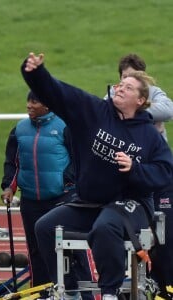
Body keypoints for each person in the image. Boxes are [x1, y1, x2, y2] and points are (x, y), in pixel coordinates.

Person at [21, 52, 173, 300]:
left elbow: (164, 172)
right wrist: (36, 73)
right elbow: (60, 94)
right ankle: (70, 290)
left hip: (130, 204)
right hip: (91, 201)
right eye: (119, 85)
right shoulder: (95, 112)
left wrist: (135, 169)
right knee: (46, 227)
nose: (119, 89)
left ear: (141, 99)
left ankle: (110, 293)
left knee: (106, 226)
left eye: (128, 87)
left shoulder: (149, 135)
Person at [1, 90, 86, 290]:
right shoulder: (19, 129)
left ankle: (83, 293)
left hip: (61, 200)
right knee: (36, 251)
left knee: (71, 249)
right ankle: (41, 293)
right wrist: (8, 186)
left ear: (47, 105)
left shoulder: (65, 126)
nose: (29, 105)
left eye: (34, 101)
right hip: (30, 201)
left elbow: (79, 158)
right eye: (28, 101)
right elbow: (12, 162)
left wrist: (67, 182)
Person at [106, 54, 173, 299]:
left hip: (157, 177)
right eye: (123, 78)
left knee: (163, 236)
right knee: (131, 236)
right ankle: (133, 286)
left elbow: (169, 110)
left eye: (133, 79)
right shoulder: (114, 96)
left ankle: (166, 288)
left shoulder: (154, 94)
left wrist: (137, 112)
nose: (125, 83)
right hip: (129, 178)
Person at [104, 53, 173, 140]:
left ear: (143, 77)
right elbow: (104, 113)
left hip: (152, 150)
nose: (128, 80)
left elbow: (168, 110)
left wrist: (128, 109)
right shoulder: (115, 91)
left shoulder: (154, 91)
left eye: (133, 77)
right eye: (125, 77)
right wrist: (150, 120)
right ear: (120, 77)